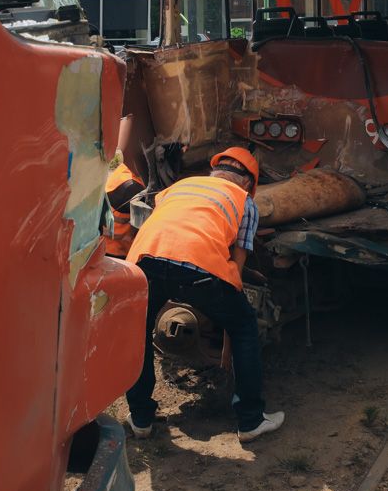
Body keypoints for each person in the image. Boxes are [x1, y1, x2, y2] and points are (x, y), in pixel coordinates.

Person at [125, 146, 285, 442]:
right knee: (244, 326)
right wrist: (230, 296)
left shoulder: (179, 187)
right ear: (248, 183)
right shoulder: (244, 202)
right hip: (198, 268)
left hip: (146, 260)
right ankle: (251, 420)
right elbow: (238, 262)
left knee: (136, 334)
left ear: (214, 172)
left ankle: (140, 418)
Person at [103, 151, 145, 257]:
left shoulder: (126, 170)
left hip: (106, 243)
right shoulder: (134, 188)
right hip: (117, 249)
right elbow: (145, 231)